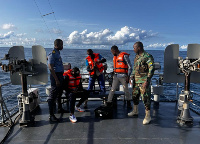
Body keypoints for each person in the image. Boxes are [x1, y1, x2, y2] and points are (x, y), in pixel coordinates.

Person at [128, 41, 154, 125]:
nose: (133, 49)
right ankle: (135, 111)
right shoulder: (137, 56)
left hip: (143, 81)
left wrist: (147, 80)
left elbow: (151, 68)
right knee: (135, 96)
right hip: (136, 81)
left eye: (134, 48)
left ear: (139, 47)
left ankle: (148, 116)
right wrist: (131, 76)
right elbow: (135, 68)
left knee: (145, 98)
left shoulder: (147, 56)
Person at [47, 39, 67, 122]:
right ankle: (51, 115)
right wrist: (56, 80)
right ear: (57, 45)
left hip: (60, 75)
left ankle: (59, 108)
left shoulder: (58, 53)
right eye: (62, 44)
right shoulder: (53, 54)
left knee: (59, 93)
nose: (63, 46)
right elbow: (51, 67)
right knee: (53, 95)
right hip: (56, 76)